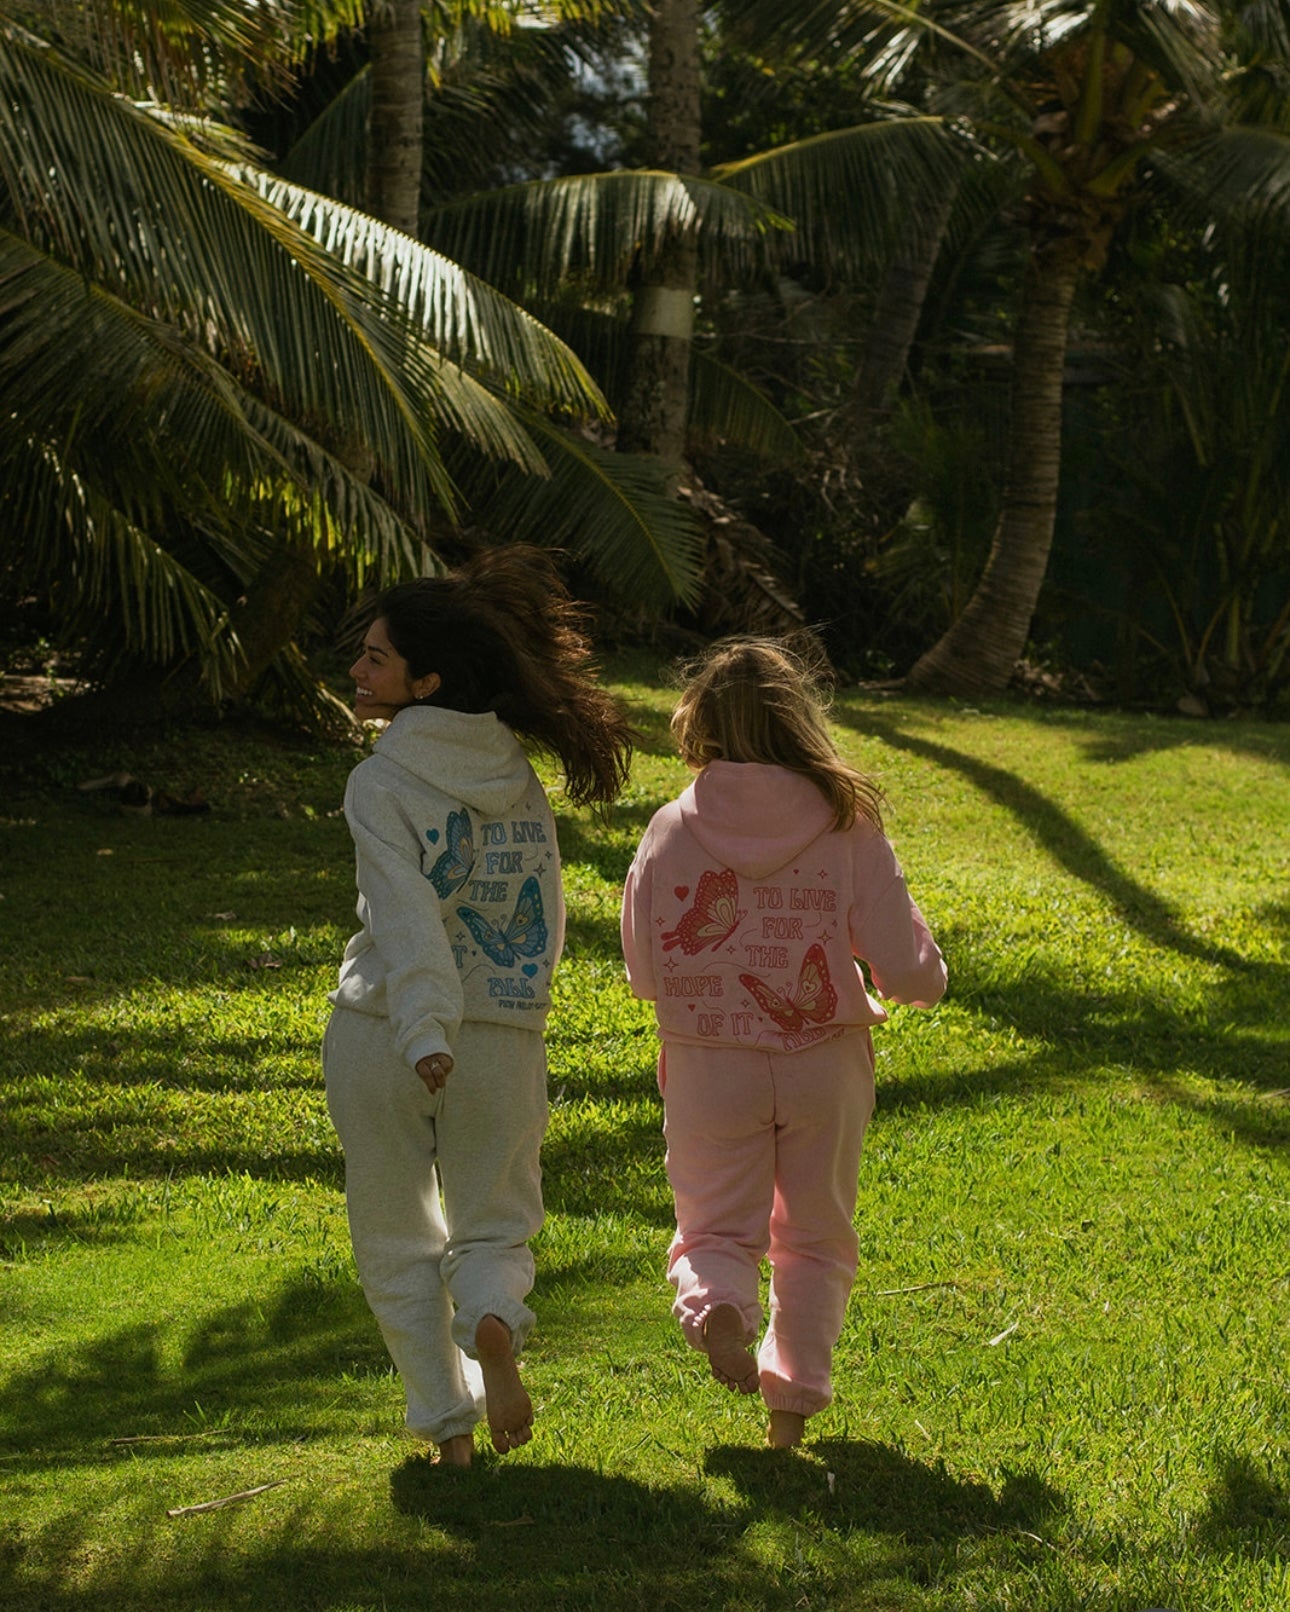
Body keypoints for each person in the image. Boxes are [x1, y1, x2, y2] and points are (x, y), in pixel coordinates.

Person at [324, 545, 632, 1466]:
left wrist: (425, 1027)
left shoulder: (380, 782)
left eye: (375, 657)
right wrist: (499, 1014)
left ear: (425, 682)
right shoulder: (516, 778)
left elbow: (405, 915)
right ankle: (493, 1314)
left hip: (387, 1032)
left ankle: (447, 1428)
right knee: (495, 1222)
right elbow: (544, 906)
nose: (356, 669)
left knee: (395, 1234)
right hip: (503, 1036)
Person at [620, 637, 946, 1448]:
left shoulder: (670, 828)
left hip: (708, 1066)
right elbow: (907, 965)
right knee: (815, 1236)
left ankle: (719, 1304)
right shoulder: (845, 821)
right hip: (823, 1065)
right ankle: (791, 1407)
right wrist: (922, 980)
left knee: (710, 1229)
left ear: (700, 721)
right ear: (797, 719)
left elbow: (645, 968)